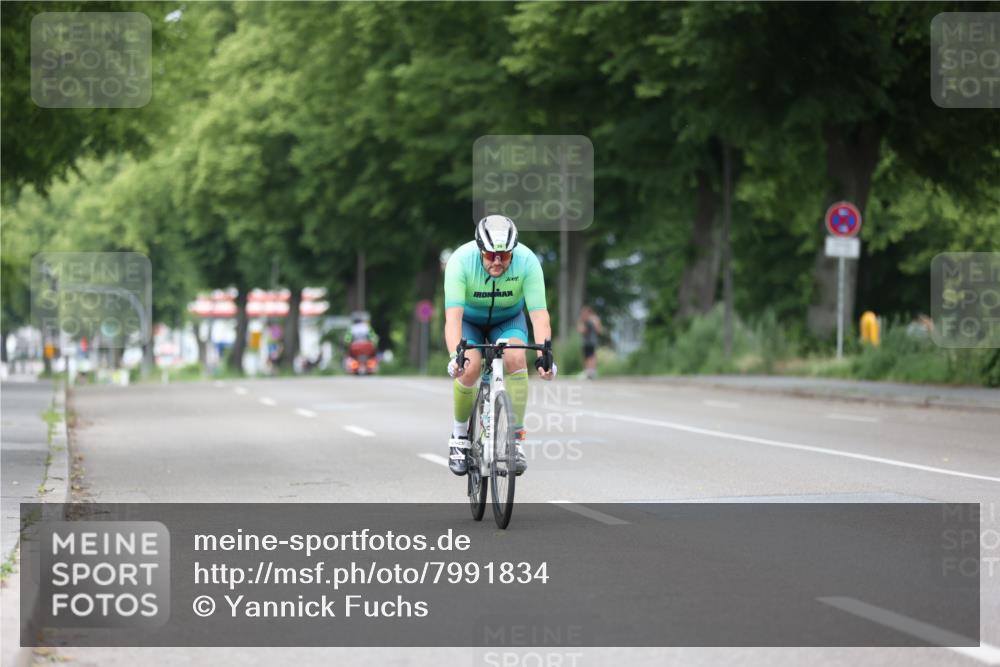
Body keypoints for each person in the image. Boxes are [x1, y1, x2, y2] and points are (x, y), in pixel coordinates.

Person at [443, 215, 556, 477]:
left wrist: (544, 357)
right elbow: (453, 319)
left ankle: (515, 441)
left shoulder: (527, 261)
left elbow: (539, 316)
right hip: (469, 322)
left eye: (504, 256)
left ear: (513, 251)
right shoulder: (460, 261)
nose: (497, 261)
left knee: (516, 358)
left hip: (508, 321)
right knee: (469, 368)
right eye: (491, 255)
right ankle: (459, 436)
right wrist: (455, 357)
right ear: (480, 249)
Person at [578, 305, 602, 379]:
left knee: (591, 357)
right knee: (587, 357)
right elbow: (581, 330)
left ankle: (591, 372)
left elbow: (598, 330)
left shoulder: (593, 319)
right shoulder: (585, 319)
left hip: (591, 341)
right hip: (586, 341)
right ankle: (588, 372)